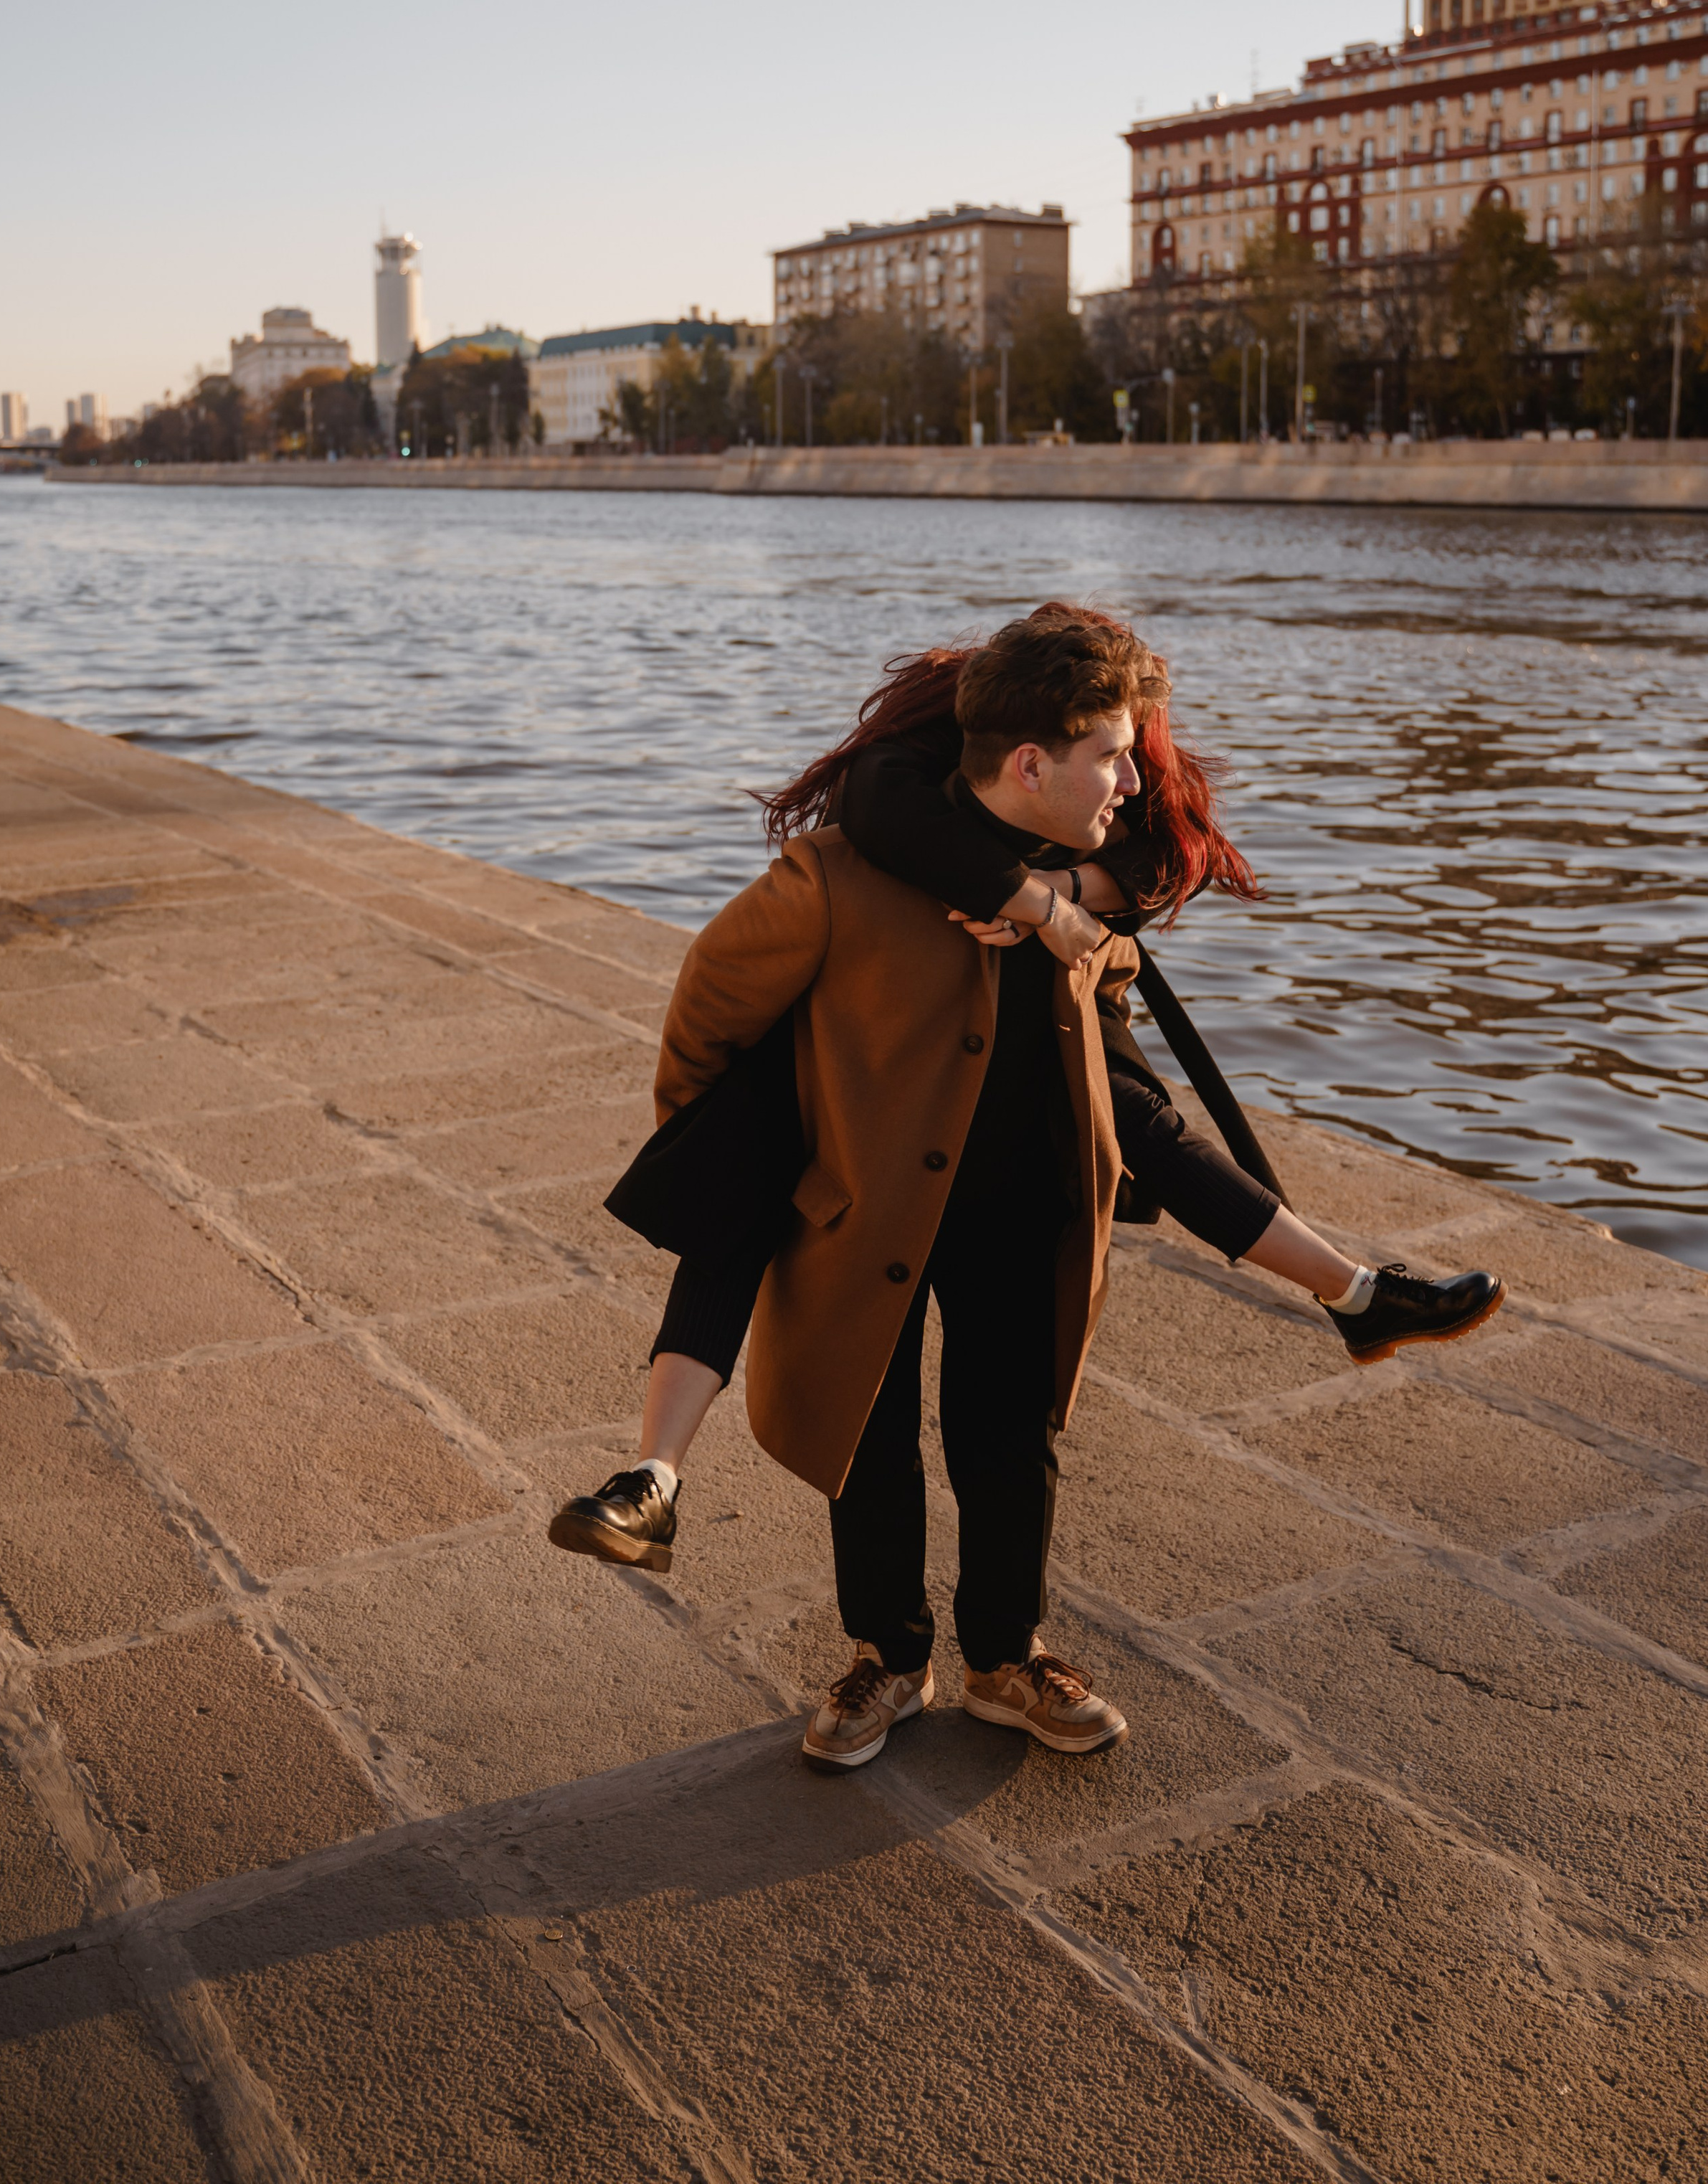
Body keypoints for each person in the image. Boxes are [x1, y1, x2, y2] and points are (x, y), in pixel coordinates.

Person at [551, 605, 1502, 1767]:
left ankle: (1007, 1660)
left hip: (1021, 1207)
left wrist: (1086, 919)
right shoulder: (842, 873)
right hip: (867, 1209)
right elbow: (708, 1010)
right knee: (870, 1439)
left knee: (1008, 1438)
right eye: (1112, 757)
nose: (1132, 781)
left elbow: (1133, 960)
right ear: (1032, 764)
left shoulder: (1077, 878)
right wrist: (742, 1148)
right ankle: (888, 1659)